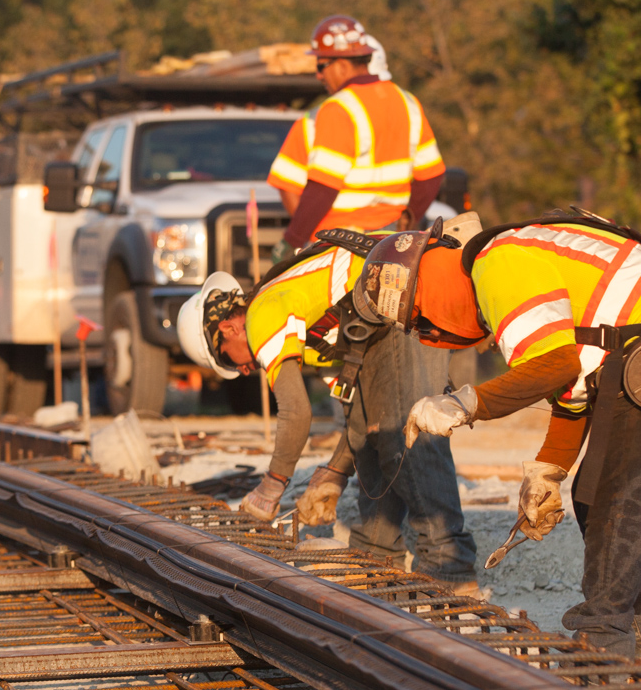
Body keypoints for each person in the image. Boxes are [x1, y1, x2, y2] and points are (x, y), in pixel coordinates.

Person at [374, 209, 641, 663]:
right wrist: (548, 471)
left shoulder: (496, 263)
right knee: (595, 498)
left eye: (418, 320)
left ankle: (604, 648)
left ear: (428, 287)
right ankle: (639, 649)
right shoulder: (511, 255)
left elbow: (554, 365)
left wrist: (464, 404)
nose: (425, 331)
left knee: (617, 501)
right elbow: (573, 385)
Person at [176, 226, 479, 594]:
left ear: (228, 328)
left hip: (409, 290)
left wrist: (270, 489)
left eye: (228, 360)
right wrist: (335, 472)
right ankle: (377, 553)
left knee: (408, 436)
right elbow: (359, 414)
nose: (241, 370)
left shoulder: (262, 315)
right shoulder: (306, 321)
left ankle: (450, 569)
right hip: (393, 300)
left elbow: (296, 412)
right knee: (376, 436)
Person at [280, 15, 446, 249]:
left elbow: (323, 188)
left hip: (339, 243)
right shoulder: (407, 101)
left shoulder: (338, 108)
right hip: (391, 241)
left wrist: (292, 241)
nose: (318, 75)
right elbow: (431, 176)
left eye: (321, 66)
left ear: (342, 64)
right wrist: (407, 221)